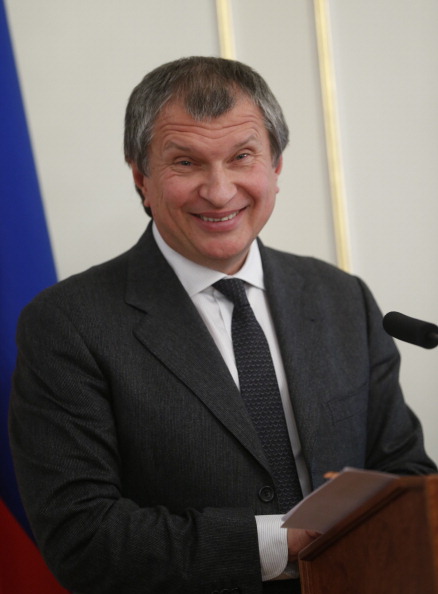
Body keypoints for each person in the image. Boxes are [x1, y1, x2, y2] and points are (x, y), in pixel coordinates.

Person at [9, 56, 436, 594]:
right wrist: (284, 543)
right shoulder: (67, 324)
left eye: (242, 157)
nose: (218, 190)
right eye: (186, 162)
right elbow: (83, 538)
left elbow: (404, 472)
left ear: (275, 166)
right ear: (141, 178)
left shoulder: (340, 297)